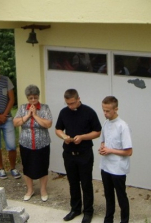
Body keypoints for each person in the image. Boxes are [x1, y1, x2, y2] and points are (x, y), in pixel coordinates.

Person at [55, 89, 102, 223]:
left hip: (84, 153)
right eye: (68, 103)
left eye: (73, 103)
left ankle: (88, 211)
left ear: (78, 99)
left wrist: (82, 137)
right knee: (73, 182)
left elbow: (97, 132)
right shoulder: (64, 112)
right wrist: (64, 136)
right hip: (69, 153)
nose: (70, 106)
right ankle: (75, 209)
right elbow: (58, 129)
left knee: (86, 183)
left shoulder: (89, 112)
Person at [13, 85, 53, 202]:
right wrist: (27, 116)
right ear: (27, 98)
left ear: (38, 96)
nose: (33, 100)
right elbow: (16, 123)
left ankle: (43, 190)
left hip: (42, 143)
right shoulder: (22, 108)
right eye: (31, 98)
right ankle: (29, 190)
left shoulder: (45, 108)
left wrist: (35, 115)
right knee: (27, 167)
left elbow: (48, 124)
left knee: (43, 166)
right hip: (26, 143)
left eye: (35, 97)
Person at [99, 96, 133, 223]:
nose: (105, 113)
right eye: (103, 110)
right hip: (106, 165)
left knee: (121, 196)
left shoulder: (123, 126)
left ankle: (124, 220)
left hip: (118, 168)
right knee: (108, 195)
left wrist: (110, 150)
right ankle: (108, 219)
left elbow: (129, 151)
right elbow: (103, 140)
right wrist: (102, 147)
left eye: (108, 111)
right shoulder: (105, 123)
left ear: (116, 109)